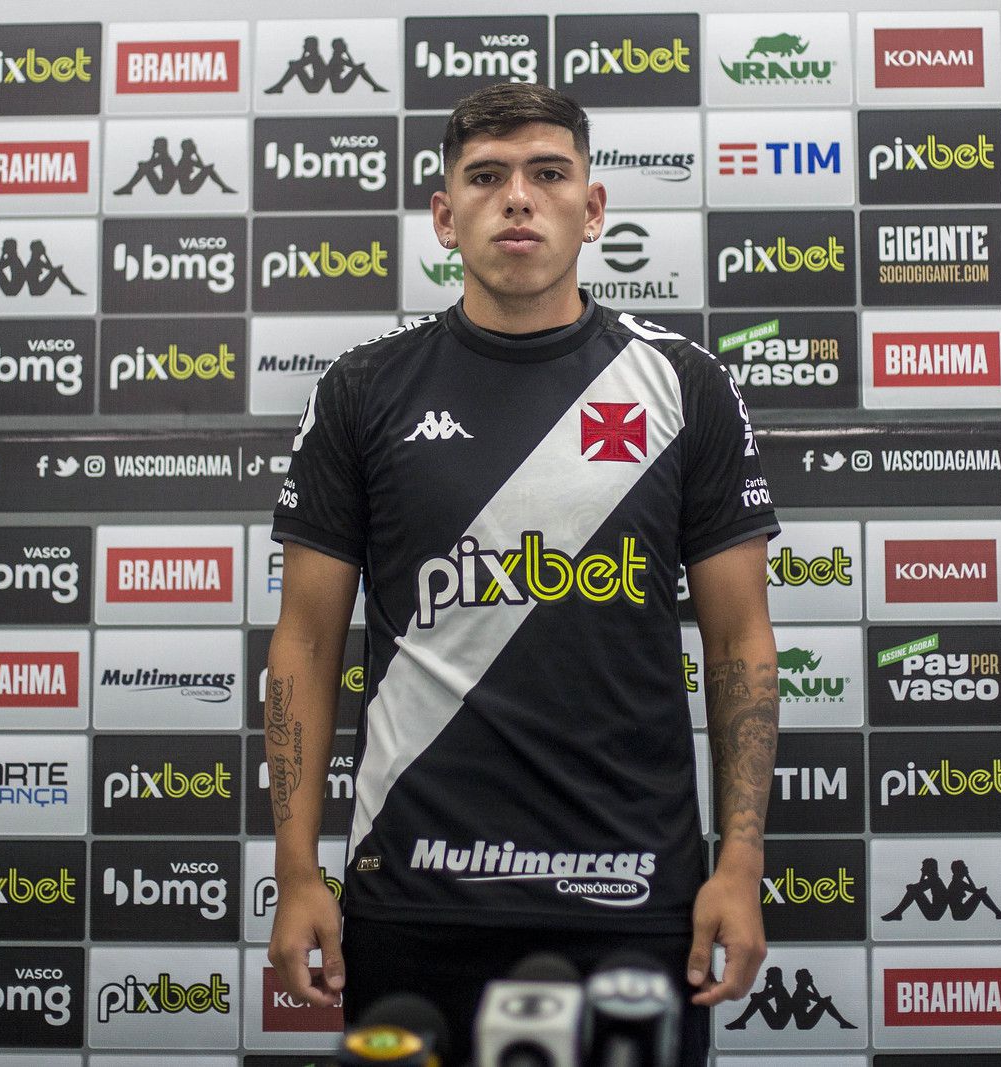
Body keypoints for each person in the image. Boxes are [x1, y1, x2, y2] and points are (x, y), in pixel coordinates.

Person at [266, 82, 779, 1066]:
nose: (517, 198)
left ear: (591, 211)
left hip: (632, 893)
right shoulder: (363, 390)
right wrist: (296, 872)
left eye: (547, 174)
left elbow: (739, 641)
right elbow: (304, 642)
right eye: (486, 176)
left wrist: (741, 863)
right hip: (415, 894)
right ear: (443, 215)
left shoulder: (684, 384)